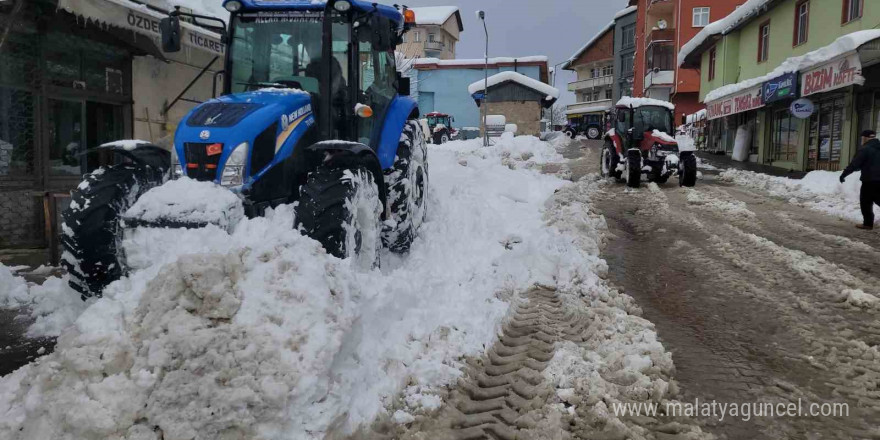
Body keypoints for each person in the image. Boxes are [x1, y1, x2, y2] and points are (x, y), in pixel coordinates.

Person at [840, 130, 880, 230]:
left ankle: (867, 223)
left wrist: (844, 174)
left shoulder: (865, 149)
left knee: (866, 202)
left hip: (869, 180)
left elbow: (855, 164)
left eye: (862, 138)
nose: (861, 140)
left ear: (865, 138)